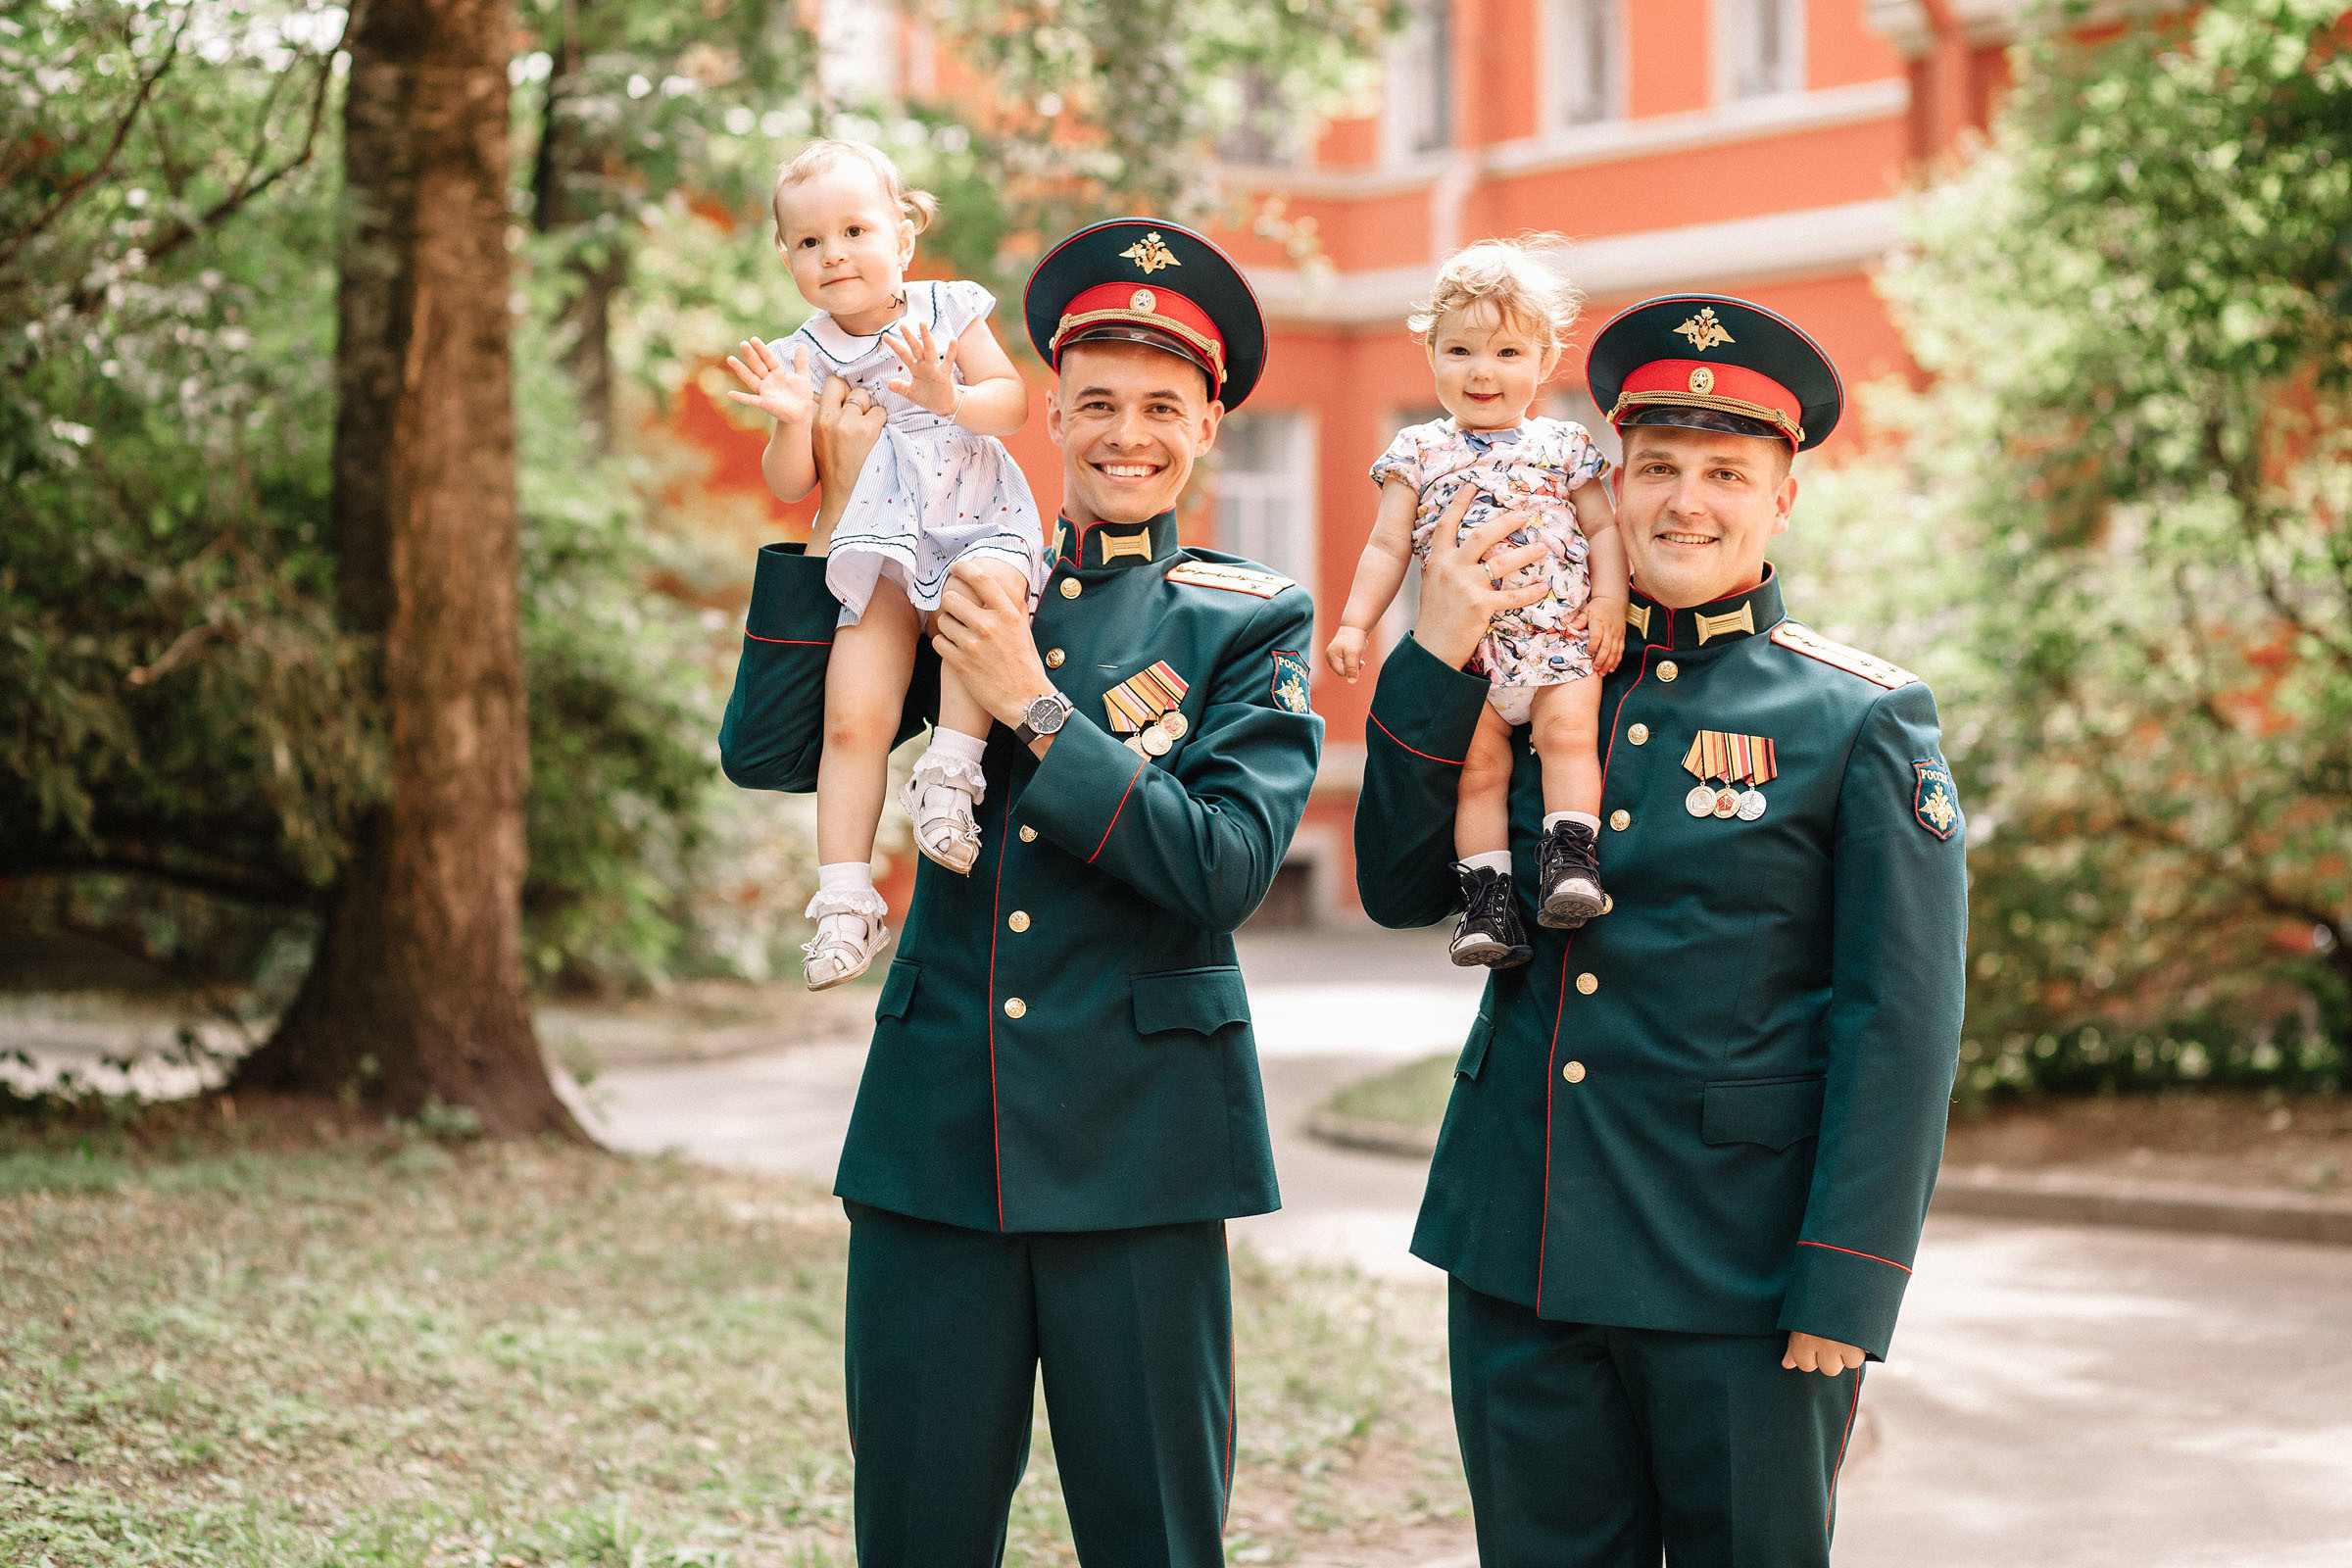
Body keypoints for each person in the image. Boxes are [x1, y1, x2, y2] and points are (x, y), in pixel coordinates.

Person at [718, 218, 1323, 1568]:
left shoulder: (1248, 618)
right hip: (941, 1134)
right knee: (919, 1534)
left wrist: (1035, 709)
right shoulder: (961, 553)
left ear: (1208, 427)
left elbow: (1221, 869)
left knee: (1153, 1538)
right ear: (1047, 409)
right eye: (1097, 402)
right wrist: (837, 516)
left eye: (1163, 407)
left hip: (1146, 1156)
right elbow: (770, 752)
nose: (1126, 434)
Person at [1353, 294, 1968, 1565]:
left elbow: (1899, 1025)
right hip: (1518, 1250)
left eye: (1726, 473)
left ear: (1781, 498)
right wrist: (1437, 650)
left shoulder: (1857, 718)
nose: (1688, 502)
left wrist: (1847, 1281)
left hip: (1737, 1277)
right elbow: (1403, 885)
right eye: (1660, 468)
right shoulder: (1539, 676)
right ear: (1612, 482)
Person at [723, 138, 1046, 990]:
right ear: (787, 258)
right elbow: (792, 484)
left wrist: (950, 398)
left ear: (903, 237)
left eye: (855, 229)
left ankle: (951, 776)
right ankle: (843, 902)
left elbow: (1010, 403)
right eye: (808, 241)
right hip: (883, 545)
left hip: (976, 525)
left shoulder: (947, 309)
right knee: (850, 717)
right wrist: (795, 422)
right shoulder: (805, 351)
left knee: (983, 609)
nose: (833, 254)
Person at [1325, 237, 1626, 967]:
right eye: (1459, 351)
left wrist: (1610, 598)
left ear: (1545, 361)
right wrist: (1354, 621)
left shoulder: (1563, 443)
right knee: (1478, 774)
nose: (1482, 371)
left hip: (1558, 643)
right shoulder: (1417, 451)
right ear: (1430, 354)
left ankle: (1570, 859)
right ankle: (1488, 905)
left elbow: (1603, 526)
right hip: (1473, 662)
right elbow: (1387, 548)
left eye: (1507, 354)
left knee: (1569, 739)